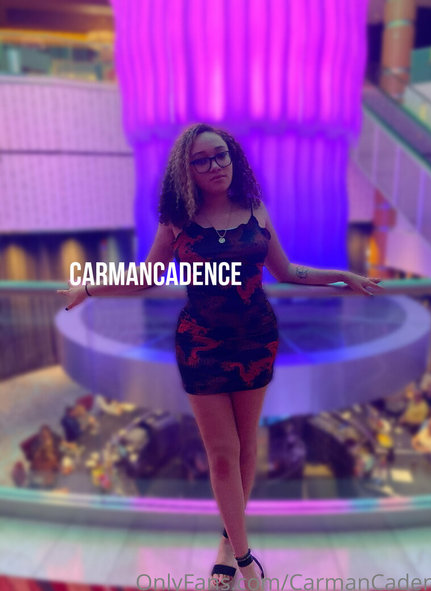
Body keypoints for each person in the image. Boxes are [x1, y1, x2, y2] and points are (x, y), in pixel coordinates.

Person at [57, 122, 384, 590]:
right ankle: (246, 558)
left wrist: (342, 276)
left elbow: (286, 271)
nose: (215, 166)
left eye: (221, 155)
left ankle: (227, 546)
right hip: (202, 346)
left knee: (248, 447)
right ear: (186, 170)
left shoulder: (254, 208)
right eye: (202, 160)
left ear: (233, 157)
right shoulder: (176, 221)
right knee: (223, 455)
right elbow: (145, 278)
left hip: (255, 340)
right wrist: (89, 287)